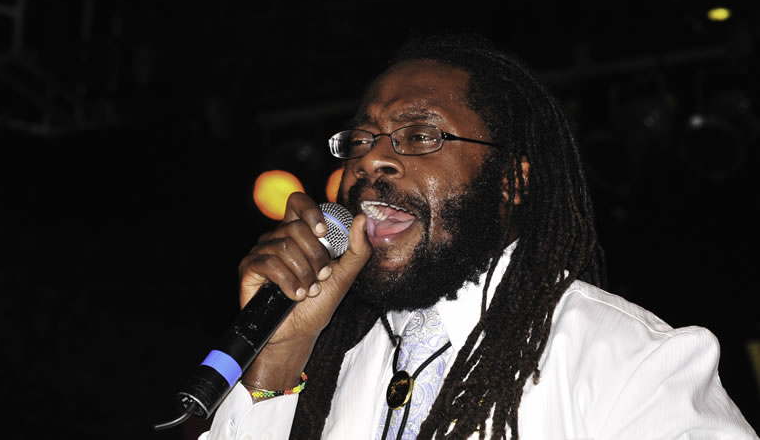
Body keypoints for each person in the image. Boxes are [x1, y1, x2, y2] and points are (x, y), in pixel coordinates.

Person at [200, 34, 757, 440]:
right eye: (362, 140)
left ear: (512, 180)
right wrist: (279, 357)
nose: (372, 160)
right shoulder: (330, 369)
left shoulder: (628, 363)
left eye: (419, 134)